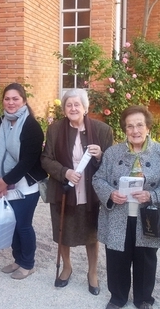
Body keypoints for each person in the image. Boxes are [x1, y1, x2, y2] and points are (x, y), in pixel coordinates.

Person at [92, 105, 160, 309]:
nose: (135, 130)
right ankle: (117, 297)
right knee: (117, 256)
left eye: (139, 125)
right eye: (130, 126)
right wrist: (111, 194)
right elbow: (97, 179)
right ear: (124, 129)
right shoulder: (112, 153)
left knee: (146, 258)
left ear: (148, 127)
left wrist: (152, 196)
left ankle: (144, 299)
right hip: (118, 214)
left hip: (148, 216)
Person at [41, 88, 113, 294]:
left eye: (77, 104)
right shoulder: (55, 129)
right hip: (64, 191)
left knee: (91, 233)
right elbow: (46, 159)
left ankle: (92, 272)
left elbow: (111, 164)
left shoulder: (102, 130)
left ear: (85, 107)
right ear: (64, 109)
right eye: (68, 104)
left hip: (90, 191)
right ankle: (67, 267)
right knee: (63, 231)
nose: (73, 108)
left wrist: (100, 155)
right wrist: (65, 172)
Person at [0, 83, 47, 280]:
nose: (11, 102)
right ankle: (18, 259)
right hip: (4, 181)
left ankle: (28, 263)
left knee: (23, 224)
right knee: (12, 224)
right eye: (7, 98)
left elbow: (28, 161)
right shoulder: (0, 122)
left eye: (15, 98)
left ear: (23, 100)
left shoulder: (31, 125)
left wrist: (5, 180)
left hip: (26, 185)